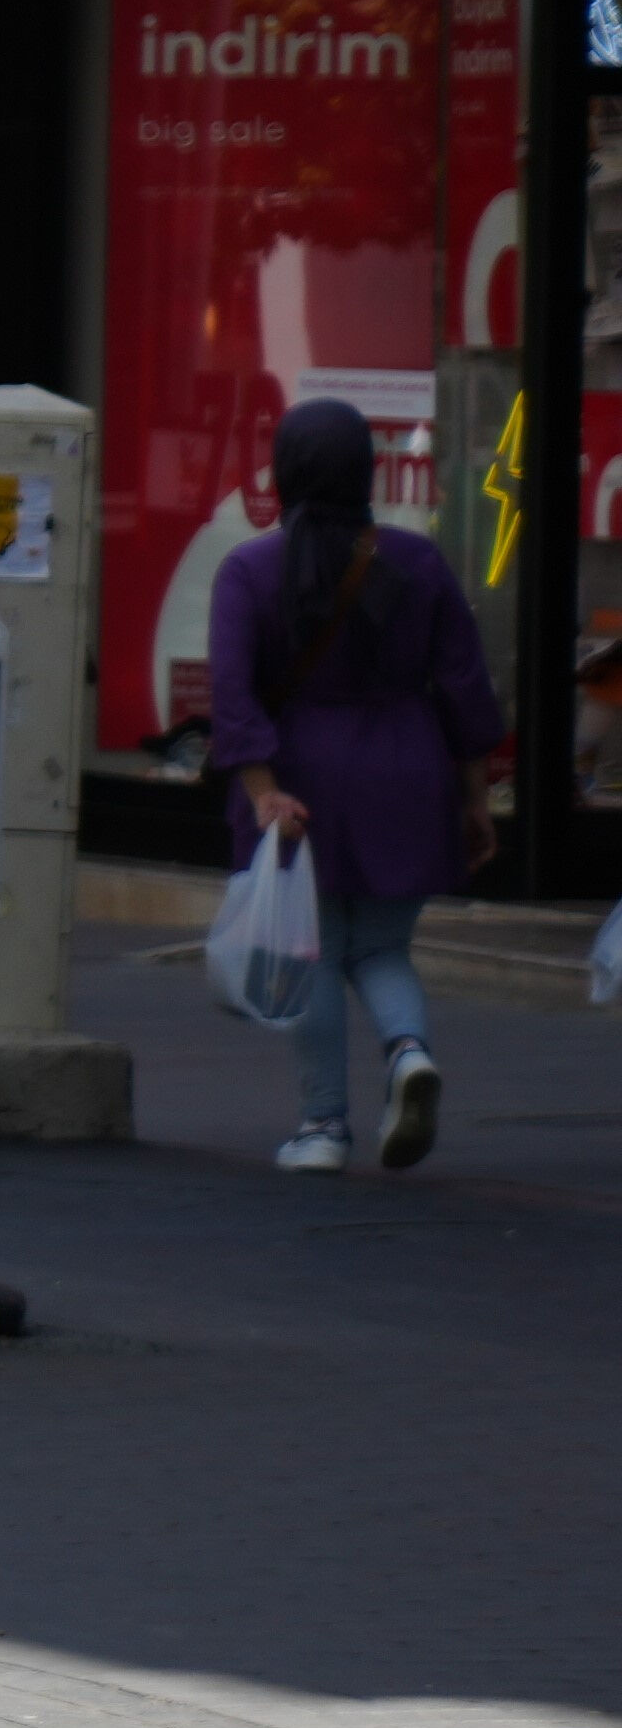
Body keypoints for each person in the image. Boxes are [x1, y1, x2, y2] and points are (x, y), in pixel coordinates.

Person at [210, 390, 505, 1174]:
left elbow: (234, 698)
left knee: (310, 952)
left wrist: (263, 791)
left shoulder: (249, 570)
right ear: (365, 472)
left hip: (301, 773)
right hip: (406, 770)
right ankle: (408, 1054)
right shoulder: (418, 562)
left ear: (284, 472)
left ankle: (323, 1128)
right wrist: (474, 799)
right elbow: (466, 689)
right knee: (380, 947)